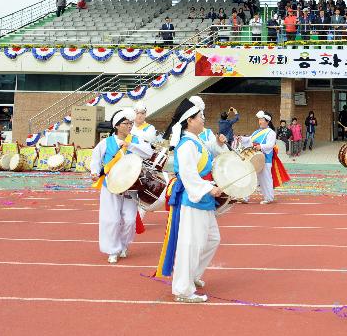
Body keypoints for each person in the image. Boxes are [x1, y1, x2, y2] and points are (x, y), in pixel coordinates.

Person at [155, 96, 227, 303]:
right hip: (194, 198)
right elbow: (188, 175)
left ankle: (193, 275)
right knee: (191, 244)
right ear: (189, 121)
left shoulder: (197, 141)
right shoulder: (186, 144)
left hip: (202, 197)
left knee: (212, 239)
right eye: (200, 116)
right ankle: (182, 290)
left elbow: (207, 163)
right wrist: (208, 188)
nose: (203, 119)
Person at [90, 108, 153, 264]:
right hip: (110, 186)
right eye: (126, 123)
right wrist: (93, 171)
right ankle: (112, 250)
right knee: (111, 219)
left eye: (131, 123)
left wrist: (130, 145)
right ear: (117, 126)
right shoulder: (105, 143)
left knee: (130, 220)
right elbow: (95, 160)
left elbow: (148, 153)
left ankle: (123, 245)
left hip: (131, 187)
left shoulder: (136, 140)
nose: (129, 126)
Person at [238, 111, 289, 204]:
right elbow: (249, 140)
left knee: (265, 179)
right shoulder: (256, 131)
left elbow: (270, 145)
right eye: (259, 120)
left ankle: (269, 198)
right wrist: (241, 138)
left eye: (261, 120)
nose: (260, 122)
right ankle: (244, 197)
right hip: (254, 158)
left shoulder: (271, 132)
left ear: (267, 121)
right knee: (250, 178)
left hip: (265, 159)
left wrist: (260, 146)